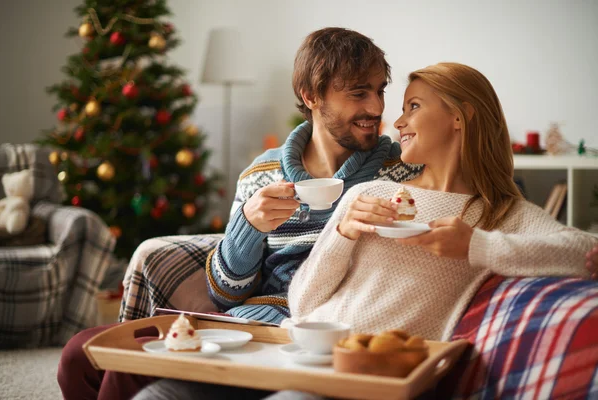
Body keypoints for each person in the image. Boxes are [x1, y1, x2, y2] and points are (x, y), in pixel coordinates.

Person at [57, 27, 422, 400]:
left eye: (379, 91)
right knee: (78, 354)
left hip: (309, 334)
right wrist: (248, 226)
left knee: (124, 372)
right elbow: (224, 295)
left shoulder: (401, 171)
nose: (376, 108)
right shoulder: (260, 175)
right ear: (311, 96)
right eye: (359, 93)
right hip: (243, 322)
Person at [287, 62, 598, 341]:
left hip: (392, 374)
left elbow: (582, 250)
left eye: (414, 106)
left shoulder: (500, 214)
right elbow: (302, 304)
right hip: (308, 350)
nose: (398, 122)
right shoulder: (368, 196)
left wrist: (476, 246)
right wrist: (342, 235)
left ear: (460, 116)